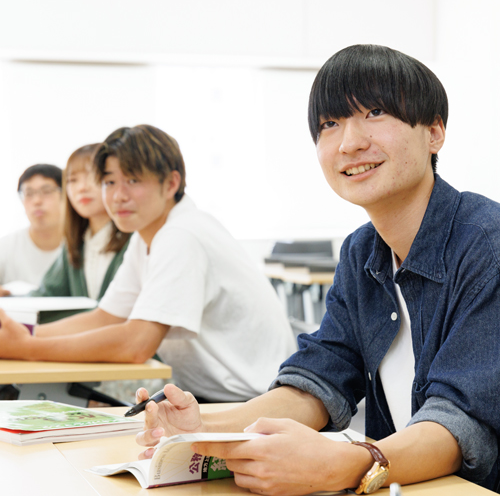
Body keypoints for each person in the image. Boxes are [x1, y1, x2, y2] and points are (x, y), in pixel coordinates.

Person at [133, 45, 500, 494]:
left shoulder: (487, 244)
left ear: (434, 133)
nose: (349, 143)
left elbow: (460, 424)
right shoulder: (362, 252)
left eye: (375, 112)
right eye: (330, 123)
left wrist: (346, 463)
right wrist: (205, 426)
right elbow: (319, 381)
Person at [0, 125, 296, 403]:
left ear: (171, 183)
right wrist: (25, 335)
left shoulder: (181, 234)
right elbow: (106, 317)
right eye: (109, 182)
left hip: (250, 402)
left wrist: (28, 348)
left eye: (133, 180)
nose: (118, 195)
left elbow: (136, 344)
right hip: (205, 395)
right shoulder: (147, 234)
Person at [29, 144, 130, 323]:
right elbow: (46, 294)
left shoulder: (135, 239)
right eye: (72, 180)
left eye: (92, 176)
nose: (81, 188)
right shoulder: (77, 243)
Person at [0, 163, 63, 296]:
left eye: (47, 192)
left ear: (66, 196)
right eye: (28, 194)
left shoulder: (82, 246)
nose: (37, 201)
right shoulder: (6, 246)